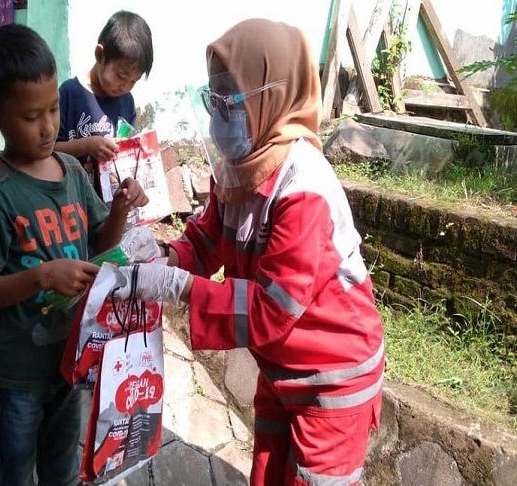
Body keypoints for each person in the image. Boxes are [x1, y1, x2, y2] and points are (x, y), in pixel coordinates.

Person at [114, 19, 384, 485]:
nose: (220, 115)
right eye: (213, 98)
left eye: (231, 100)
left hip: (331, 373)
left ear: (273, 98)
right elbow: (207, 241)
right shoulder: (239, 168)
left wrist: (177, 286)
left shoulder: (304, 187)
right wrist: (162, 257)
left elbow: (272, 308)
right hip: (281, 365)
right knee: (267, 472)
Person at [0, 24, 147, 485]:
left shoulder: (71, 172)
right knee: (13, 472)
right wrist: (43, 276)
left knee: (61, 470)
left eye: (53, 110)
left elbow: (101, 242)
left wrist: (120, 207)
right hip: (18, 376)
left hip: (71, 361)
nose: (48, 127)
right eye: (31, 116)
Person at [54, 10, 153, 196]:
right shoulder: (69, 93)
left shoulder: (127, 101)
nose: (125, 86)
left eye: (134, 81)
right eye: (121, 76)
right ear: (100, 55)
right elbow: (50, 150)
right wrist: (86, 146)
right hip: (72, 200)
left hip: (110, 204)